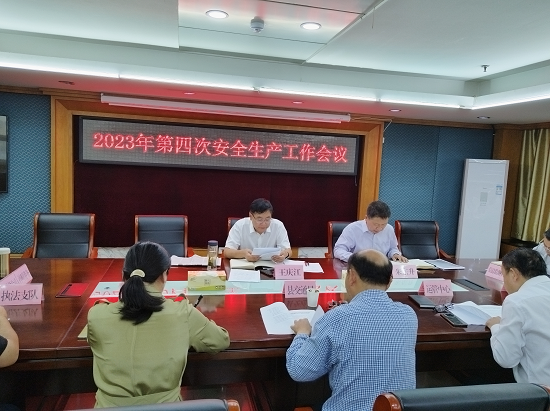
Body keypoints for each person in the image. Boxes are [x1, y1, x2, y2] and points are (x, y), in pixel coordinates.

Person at [87, 242, 230, 408]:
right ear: (164, 275)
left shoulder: (97, 315)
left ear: (123, 276)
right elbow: (220, 340)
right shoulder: (181, 312)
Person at [286, 249, 417, 411]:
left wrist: (302, 333)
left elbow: (299, 370)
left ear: (352, 276)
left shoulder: (338, 318)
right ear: (390, 281)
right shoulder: (408, 315)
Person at [485, 248, 550, 386]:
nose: (504, 283)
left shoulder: (517, 301)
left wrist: (496, 326)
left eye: (503, 276)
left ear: (514, 274)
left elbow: (506, 359)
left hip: (540, 391)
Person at [333, 200, 407, 262]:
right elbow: (338, 250)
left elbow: (392, 248)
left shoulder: (389, 229)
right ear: (366, 218)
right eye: (376, 224)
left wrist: (395, 254)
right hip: (358, 267)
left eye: (383, 224)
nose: (380, 228)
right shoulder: (352, 229)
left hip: (381, 268)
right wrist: (357, 259)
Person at [224, 198, 291, 263]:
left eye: (267, 219)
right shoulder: (240, 225)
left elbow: (288, 251)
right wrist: (243, 254)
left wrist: (285, 254)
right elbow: (227, 252)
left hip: (271, 267)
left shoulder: (278, 226)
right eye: (259, 219)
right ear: (250, 216)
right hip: (247, 267)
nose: (264, 223)